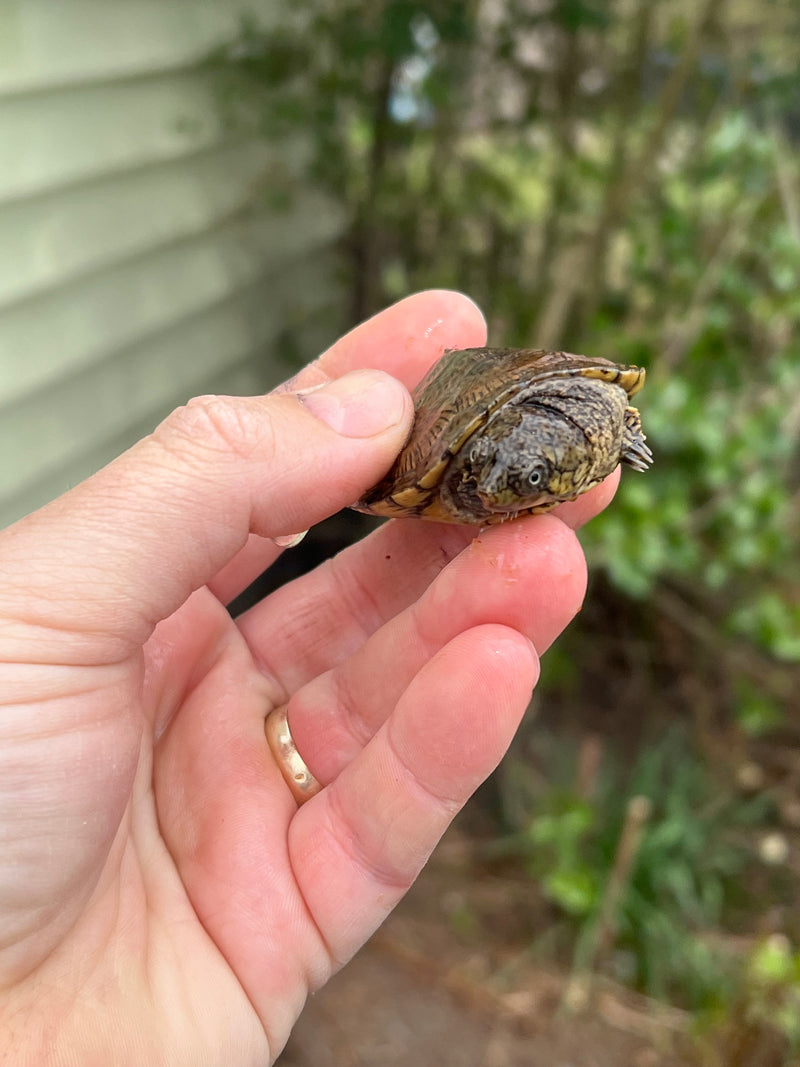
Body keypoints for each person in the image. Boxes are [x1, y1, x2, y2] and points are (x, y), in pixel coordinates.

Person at [0, 290, 618, 1064]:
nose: (496, 494)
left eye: (515, 483)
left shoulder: (584, 406)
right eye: (492, 479)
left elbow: (596, 407)